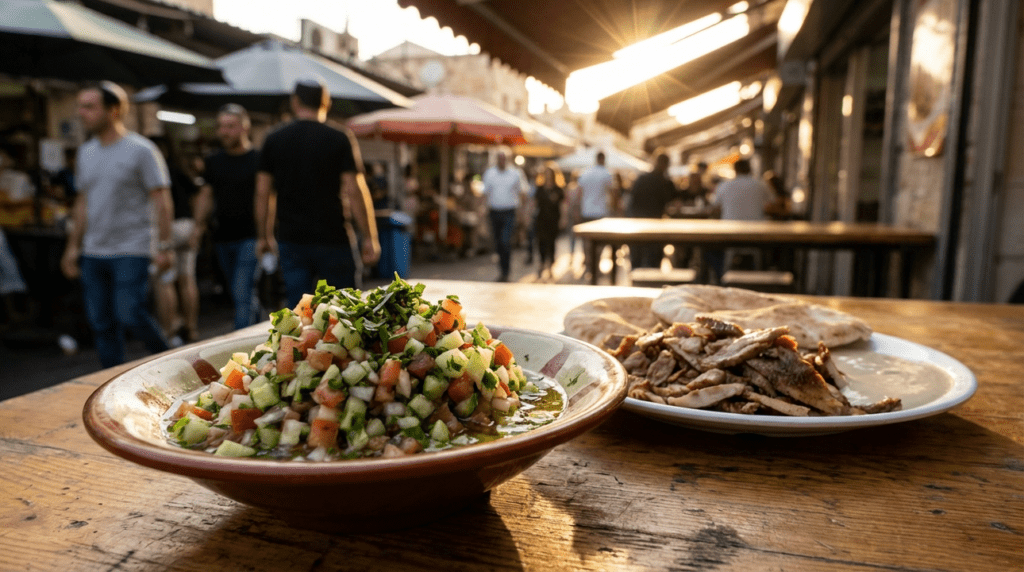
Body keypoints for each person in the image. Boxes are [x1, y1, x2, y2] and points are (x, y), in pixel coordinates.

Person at [60, 81, 171, 368]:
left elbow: (161, 199)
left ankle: (169, 362)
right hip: (93, 251)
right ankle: (109, 382)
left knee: (130, 314)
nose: (81, 113)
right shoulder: (85, 152)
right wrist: (73, 247)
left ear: (114, 110)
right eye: (80, 106)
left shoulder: (141, 150)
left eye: (89, 106)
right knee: (101, 322)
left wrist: (165, 246)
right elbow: (83, 201)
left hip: (131, 249)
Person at [255, 79, 380, 307]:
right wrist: (369, 236)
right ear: (326, 103)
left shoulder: (274, 139)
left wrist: (264, 235)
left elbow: (263, 192)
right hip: (334, 238)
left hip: (291, 239)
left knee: (299, 312)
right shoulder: (339, 138)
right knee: (345, 311)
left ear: (295, 102)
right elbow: (355, 190)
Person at [193, 103, 261, 330]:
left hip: (251, 236)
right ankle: (262, 327)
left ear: (244, 127)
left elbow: (268, 197)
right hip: (222, 237)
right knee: (240, 292)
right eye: (221, 126)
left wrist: (267, 235)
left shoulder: (258, 159)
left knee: (242, 293)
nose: (224, 131)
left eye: (230, 126)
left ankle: (239, 351)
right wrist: (198, 226)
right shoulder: (213, 160)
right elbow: (206, 194)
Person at [150, 137, 200, 347]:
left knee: (164, 281)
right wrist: (197, 225)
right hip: (186, 225)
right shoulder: (177, 169)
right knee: (187, 278)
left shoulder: (151, 172)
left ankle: (170, 330)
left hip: (167, 228)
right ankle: (191, 327)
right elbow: (198, 193)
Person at [706, 158, 774, 280]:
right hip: (756, 236)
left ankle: (720, 278)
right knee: (768, 252)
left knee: (709, 250)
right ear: (749, 169)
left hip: (729, 235)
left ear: (735, 170)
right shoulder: (760, 184)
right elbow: (772, 202)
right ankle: (760, 277)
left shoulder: (724, 185)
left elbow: (714, 206)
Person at [481, 151, 527, 282]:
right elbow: (485, 193)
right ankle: (502, 270)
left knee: (505, 240)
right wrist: (482, 210)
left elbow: (522, 192)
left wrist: (522, 213)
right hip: (494, 211)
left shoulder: (515, 173)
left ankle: (506, 270)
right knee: (498, 243)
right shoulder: (490, 173)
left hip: (509, 212)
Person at [625, 153, 676, 268]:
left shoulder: (642, 179)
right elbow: (672, 202)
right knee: (653, 261)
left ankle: (635, 283)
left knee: (636, 260)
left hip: (638, 225)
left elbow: (631, 202)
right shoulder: (665, 182)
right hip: (655, 227)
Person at [533, 162, 566, 280]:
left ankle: (551, 265)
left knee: (551, 243)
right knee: (541, 242)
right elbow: (534, 203)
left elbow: (563, 205)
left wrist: (563, 218)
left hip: (553, 219)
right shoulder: (540, 188)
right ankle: (542, 263)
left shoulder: (558, 189)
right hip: (541, 219)